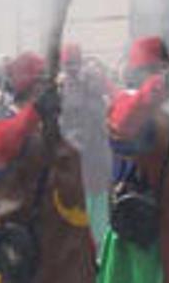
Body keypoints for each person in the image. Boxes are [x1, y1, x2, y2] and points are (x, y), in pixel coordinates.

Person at [98, 36, 169, 283]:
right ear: (147, 72)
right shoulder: (124, 103)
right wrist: (165, 82)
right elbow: (126, 120)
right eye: (160, 70)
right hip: (141, 227)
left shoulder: (159, 115)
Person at [0, 52, 96, 283]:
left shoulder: (52, 130)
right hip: (28, 247)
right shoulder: (5, 126)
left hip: (61, 250)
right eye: (47, 85)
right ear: (34, 89)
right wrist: (35, 111)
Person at [58, 42, 116, 248]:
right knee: (90, 201)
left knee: (94, 200)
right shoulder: (66, 87)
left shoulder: (75, 86)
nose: (72, 70)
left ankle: (95, 244)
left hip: (89, 155)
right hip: (82, 157)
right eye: (68, 65)